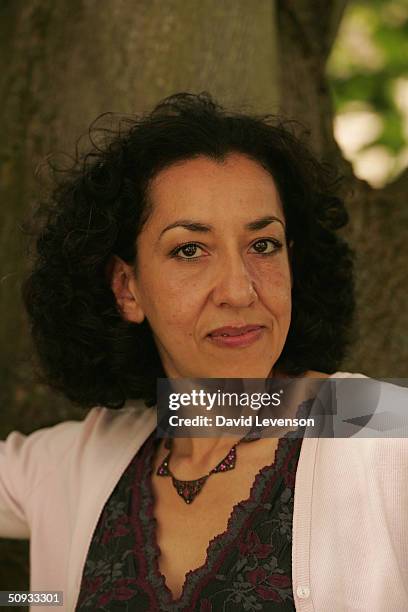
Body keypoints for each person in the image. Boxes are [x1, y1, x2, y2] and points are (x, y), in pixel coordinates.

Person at [1, 92, 406, 611]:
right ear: (127, 289)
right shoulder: (83, 459)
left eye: (263, 245)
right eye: (189, 250)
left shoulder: (379, 426)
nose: (240, 290)